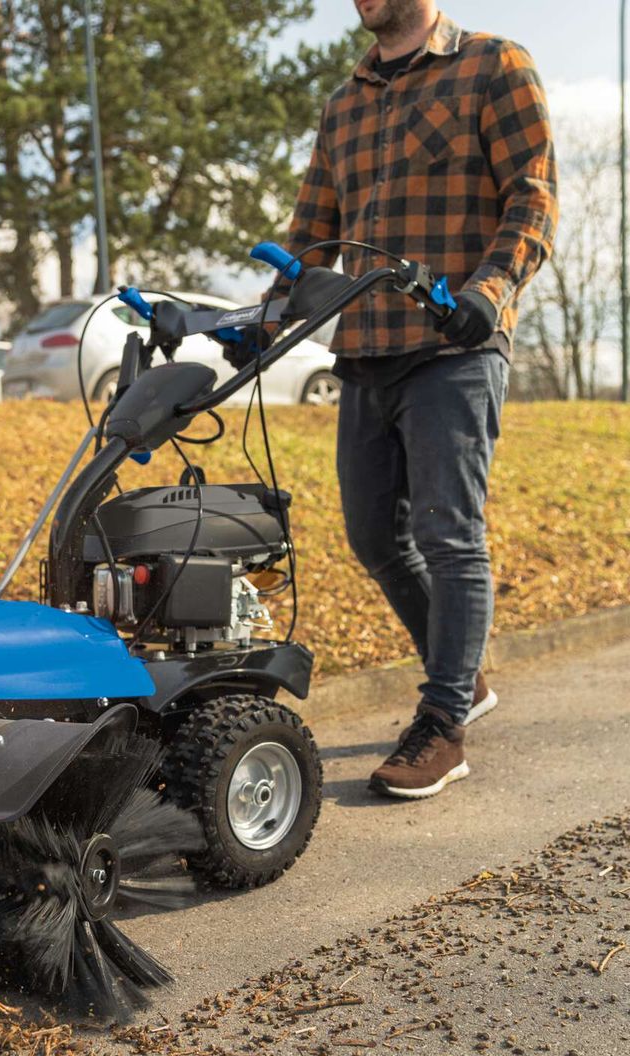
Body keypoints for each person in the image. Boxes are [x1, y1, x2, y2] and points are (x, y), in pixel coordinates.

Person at [280, 1, 557, 798]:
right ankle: (459, 672)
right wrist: (264, 314)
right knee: (374, 536)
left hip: (454, 347)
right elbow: (311, 234)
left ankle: (442, 724)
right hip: (363, 352)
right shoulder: (345, 102)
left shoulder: (493, 64)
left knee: (448, 531)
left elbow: (532, 196)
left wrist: (491, 286)